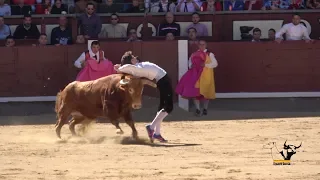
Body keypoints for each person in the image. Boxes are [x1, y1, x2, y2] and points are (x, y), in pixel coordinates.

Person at [114, 51, 173, 143]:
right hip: (163, 80)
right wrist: (120, 67)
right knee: (169, 107)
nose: (135, 58)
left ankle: (157, 133)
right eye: (133, 57)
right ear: (131, 61)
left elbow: (124, 67)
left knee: (162, 106)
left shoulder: (135, 66)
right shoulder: (132, 67)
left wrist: (120, 67)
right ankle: (151, 127)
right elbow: (124, 67)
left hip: (161, 80)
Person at [175, 39, 218, 116]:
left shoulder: (210, 54)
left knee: (206, 93)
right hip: (195, 76)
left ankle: (205, 108)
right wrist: (191, 66)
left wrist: (205, 65)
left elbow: (215, 64)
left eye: (203, 44)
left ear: (206, 45)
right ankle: (198, 109)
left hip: (206, 76)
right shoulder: (194, 54)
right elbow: (190, 64)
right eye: (200, 44)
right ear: (198, 45)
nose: (202, 46)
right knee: (195, 92)